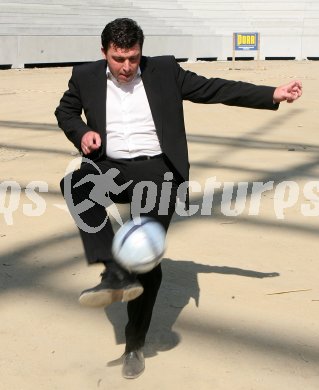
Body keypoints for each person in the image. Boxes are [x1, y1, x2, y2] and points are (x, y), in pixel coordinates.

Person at [55, 18, 302, 379]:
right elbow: (65, 111)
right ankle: (113, 270)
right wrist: (82, 133)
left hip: (159, 171)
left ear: (142, 52)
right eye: (118, 58)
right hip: (110, 165)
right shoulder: (85, 76)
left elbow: (215, 88)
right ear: (104, 52)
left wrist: (272, 94)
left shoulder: (165, 70)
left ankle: (135, 343)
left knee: (146, 260)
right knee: (76, 183)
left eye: (133, 58)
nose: (126, 67)